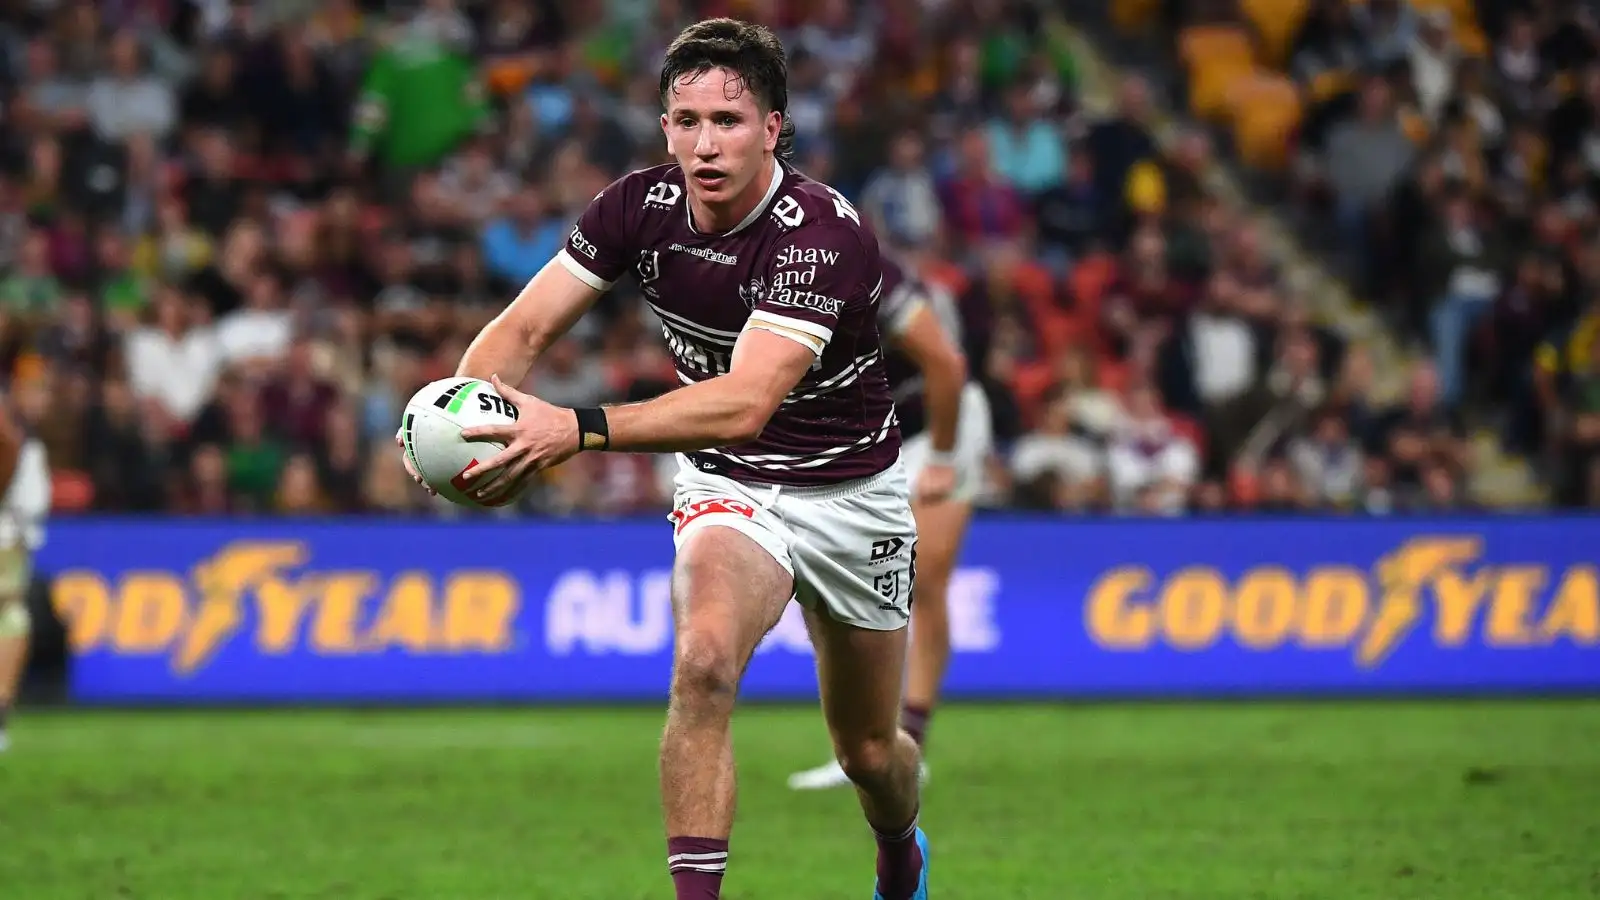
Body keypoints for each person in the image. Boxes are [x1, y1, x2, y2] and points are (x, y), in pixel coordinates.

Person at [398, 19, 929, 900]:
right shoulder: (634, 210)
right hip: (730, 485)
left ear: (774, 128)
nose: (703, 143)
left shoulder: (822, 235)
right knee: (703, 661)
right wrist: (463, 425)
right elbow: (523, 331)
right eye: (685, 120)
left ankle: (900, 850)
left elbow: (746, 400)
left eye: (727, 120)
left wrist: (577, 427)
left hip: (852, 494)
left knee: (869, 753)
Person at [787, 250, 989, 790]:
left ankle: (912, 740)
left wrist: (944, 460)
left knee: (923, 579)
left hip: (937, 425)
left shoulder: (870, 274)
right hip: (875, 436)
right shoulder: (772, 281)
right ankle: (865, 740)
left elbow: (946, 364)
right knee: (845, 584)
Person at [0, 391, 47, 753]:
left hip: (6, 537)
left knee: (10, 614)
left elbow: (29, 508)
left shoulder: (26, 452)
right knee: (11, 616)